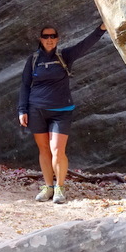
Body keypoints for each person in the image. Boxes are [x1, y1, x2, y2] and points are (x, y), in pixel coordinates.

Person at [17, 22, 107, 204]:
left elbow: (85, 44)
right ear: (40, 39)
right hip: (36, 110)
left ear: (57, 39)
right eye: (45, 36)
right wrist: (22, 110)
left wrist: (101, 29)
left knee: (57, 150)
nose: (49, 40)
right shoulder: (33, 60)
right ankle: (48, 187)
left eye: (52, 36)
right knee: (44, 150)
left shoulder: (65, 56)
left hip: (61, 111)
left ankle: (60, 188)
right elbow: (25, 85)